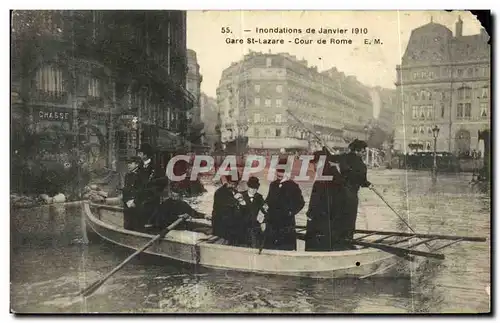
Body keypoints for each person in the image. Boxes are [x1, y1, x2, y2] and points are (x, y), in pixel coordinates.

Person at [305, 150, 347, 251]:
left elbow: (315, 202)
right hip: (334, 221)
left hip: (319, 222)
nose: (314, 167)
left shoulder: (320, 180)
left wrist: (310, 214)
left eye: (315, 163)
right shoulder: (336, 176)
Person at [333, 139, 371, 241]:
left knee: (338, 217)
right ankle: (347, 240)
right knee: (349, 219)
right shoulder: (361, 165)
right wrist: (369, 184)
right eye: (363, 151)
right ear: (358, 150)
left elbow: (332, 158)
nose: (364, 153)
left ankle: (336, 239)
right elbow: (362, 181)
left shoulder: (343, 157)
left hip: (338, 193)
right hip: (351, 195)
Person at [264, 158, 305, 251]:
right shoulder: (273, 185)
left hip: (286, 224)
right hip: (272, 223)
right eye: (277, 172)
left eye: (281, 173)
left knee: (285, 248)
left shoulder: (293, 186)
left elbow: (301, 203)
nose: (279, 175)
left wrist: (291, 212)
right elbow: (269, 200)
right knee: (270, 248)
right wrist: (265, 205)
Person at [211, 174, 243, 245]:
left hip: (230, 222)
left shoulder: (234, 191)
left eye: (235, 184)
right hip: (221, 224)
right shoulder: (220, 192)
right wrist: (237, 199)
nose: (234, 186)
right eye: (232, 183)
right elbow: (227, 203)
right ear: (228, 182)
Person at [241, 177, 267, 248]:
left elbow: (265, 211)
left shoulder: (259, 197)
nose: (253, 190)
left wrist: (264, 222)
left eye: (255, 188)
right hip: (241, 226)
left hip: (253, 226)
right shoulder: (241, 195)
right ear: (248, 187)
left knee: (254, 246)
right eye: (252, 188)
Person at [122, 156, 143, 231]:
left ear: (137, 164)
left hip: (136, 205)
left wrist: (135, 202)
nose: (128, 165)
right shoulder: (127, 175)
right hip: (127, 205)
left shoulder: (141, 176)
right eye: (128, 163)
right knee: (127, 226)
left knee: (136, 227)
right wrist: (126, 201)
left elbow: (142, 191)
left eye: (131, 163)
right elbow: (125, 190)